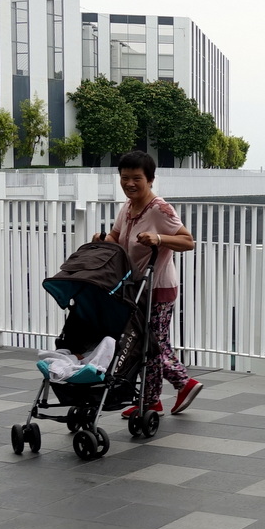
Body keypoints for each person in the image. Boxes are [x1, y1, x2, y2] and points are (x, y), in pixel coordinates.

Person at [94, 151, 203, 417]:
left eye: (136, 178)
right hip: (136, 287)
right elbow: (117, 238)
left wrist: (159, 238)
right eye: (125, 178)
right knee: (146, 343)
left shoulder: (159, 209)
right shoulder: (128, 207)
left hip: (158, 287)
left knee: (151, 344)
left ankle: (180, 384)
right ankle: (155, 398)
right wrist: (102, 240)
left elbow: (188, 241)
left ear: (150, 179)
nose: (129, 183)